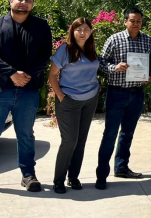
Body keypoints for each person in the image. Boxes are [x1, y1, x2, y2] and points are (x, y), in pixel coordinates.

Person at [0, 0, 53, 198]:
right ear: (11, 1)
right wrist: (12, 74)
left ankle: (28, 174)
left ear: (32, 4)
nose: (24, 3)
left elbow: (45, 55)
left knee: (26, 135)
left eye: (28, 0)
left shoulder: (41, 26)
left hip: (27, 90)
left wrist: (26, 76)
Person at [95, 8, 151, 189]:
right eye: (132, 20)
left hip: (137, 93)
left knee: (127, 133)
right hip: (117, 93)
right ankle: (101, 175)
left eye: (139, 21)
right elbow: (101, 62)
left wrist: (150, 75)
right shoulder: (114, 39)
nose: (136, 23)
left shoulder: (148, 41)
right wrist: (114, 68)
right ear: (125, 21)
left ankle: (121, 167)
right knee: (110, 133)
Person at [48, 18, 100, 194]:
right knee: (69, 141)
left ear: (91, 32)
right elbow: (52, 75)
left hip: (90, 100)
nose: (83, 33)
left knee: (81, 140)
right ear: (73, 31)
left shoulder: (91, 49)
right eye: (79, 29)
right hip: (69, 101)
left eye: (86, 29)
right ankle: (58, 180)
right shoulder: (65, 50)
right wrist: (61, 97)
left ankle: (73, 177)